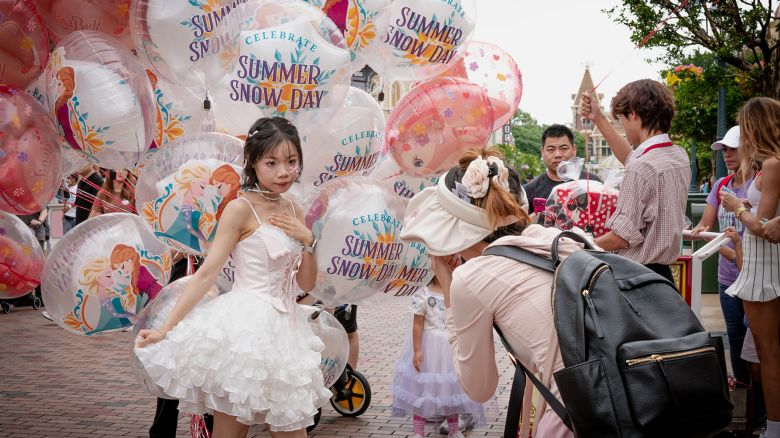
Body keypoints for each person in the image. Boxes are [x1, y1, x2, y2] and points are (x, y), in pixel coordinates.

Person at [134, 117, 330, 438]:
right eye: (273, 162)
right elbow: (207, 273)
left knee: (292, 430)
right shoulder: (240, 208)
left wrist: (309, 241)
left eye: (292, 162)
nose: (284, 172)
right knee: (230, 433)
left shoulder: (294, 208)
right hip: (244, 330)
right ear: (253, 162)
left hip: (286, 331)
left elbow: (305, 285)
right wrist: (164, 329)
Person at [400, 147, 580, 438]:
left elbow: (479, 387)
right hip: (637, 392)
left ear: (455, 229)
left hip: (579, 410)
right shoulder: (559, 239)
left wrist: (448, 285)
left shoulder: (472, 277)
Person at [580, 79, 690, 283]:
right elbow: (634, 160)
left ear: (633, 114)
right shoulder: (678, 156)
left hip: (636, 277)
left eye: (622, 120)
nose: (623, 127)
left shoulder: (642, 167)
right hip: (663, 275)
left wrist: (581, 245)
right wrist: (598, 118)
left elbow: (621, 237)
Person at [719, 97, 780, 438]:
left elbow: (762, 227)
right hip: (764, 269)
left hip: (764, 272)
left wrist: (735, 206)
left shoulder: (771, 164)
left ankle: (773, 428)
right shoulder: (768, 165)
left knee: (766, 355)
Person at [691, 126, 755, 387]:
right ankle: (743, 393)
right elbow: (706, 225)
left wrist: (721, 247)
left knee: (756, 342)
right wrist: (700, 231)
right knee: (736, 337)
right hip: (727, 279)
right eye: (724, 149)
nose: (727, 154)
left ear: (749, 149)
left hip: (752, 278)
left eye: (732, 148)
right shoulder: (720, 185)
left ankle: (759, 406)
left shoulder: (759, 184)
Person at [390, 276, 485, 438]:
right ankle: (418, 432)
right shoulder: (423, 293)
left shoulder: (454, 292)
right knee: (420, 390)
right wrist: (417, 350)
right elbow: (418, 323)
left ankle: (454, 430)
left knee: (450, 389)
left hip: (450, 348)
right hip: (429, 350)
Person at [523, 124, 601, 218]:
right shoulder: (529, 191)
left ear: (574, 149)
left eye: (563, 149)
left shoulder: (593, 184)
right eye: (551, 149)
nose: (557, 155)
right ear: (542, 152)